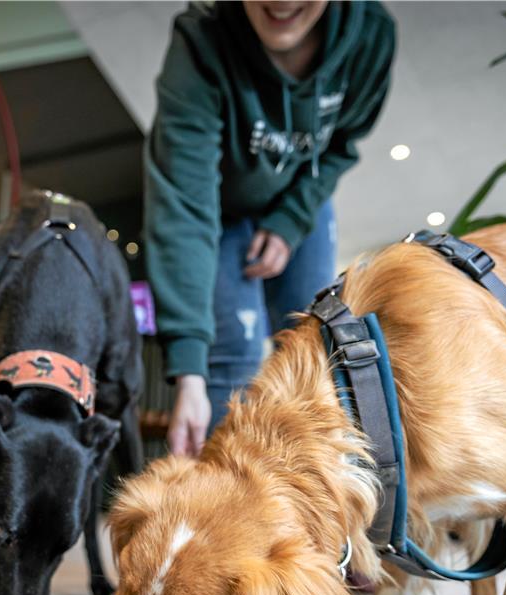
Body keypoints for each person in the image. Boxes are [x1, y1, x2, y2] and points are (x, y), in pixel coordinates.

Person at [145, 0, 396, 456]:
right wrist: (189, 374)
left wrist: (292, 219)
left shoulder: (371, 35)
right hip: (216, 211)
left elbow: (342, 145)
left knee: (316, 353)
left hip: (298, 198)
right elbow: (184, 202)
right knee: (228, 365)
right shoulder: (203, 39)